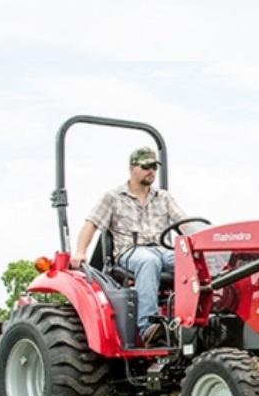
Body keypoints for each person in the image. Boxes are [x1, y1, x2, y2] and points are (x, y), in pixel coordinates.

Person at [70, 146, 188, 346]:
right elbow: (91, 224)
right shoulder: (114, 197)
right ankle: (147, 326)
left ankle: (192, 321)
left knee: (191, 262)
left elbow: (184, 223)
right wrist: (80, 252)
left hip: (161, 249)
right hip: (130, 252)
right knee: (148, 262)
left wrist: (204, 241)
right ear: (132, 168)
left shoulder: (163, 197)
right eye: (146, 166)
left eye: (154, 167)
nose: (151, 171)